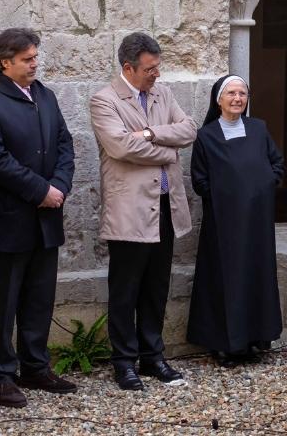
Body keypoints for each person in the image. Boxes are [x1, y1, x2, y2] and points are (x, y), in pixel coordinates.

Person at [0, 28, 76, 407]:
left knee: (39, 297)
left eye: (35, 57)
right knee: (5, 299)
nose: (35, 64)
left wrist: (59, 185)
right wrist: (40, 191)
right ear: (5, 62)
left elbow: (65, 143)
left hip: (47, 217)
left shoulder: (44, 95)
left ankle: (35, 365)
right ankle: (0, 374)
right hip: (9, 219)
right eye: (28, 59)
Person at [90, 32, 197, 390]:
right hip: (129, 212)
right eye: (150, 69)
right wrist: (167, 151)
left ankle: (153, 357)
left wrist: (150, 134)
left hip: (166, 206)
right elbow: (120, 147)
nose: (157, 75)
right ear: (128, 68)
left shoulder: (162, 94)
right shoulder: (104, 100)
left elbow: (189, 129)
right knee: (126, 289)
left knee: (156, 286)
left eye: (157, 67)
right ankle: (124, 362)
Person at [187, 75, 284, 367]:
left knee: (255, 276)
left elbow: (276, 163)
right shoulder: (207, 136)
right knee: (225, 281)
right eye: (231, 93)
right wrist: (226, 197)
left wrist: (263, 187)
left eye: (242, 93)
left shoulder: (258, 129)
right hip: (223, 225)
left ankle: (254, 338)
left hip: (256, 221)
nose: (237, 98)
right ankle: (224, 344)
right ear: (218, 99)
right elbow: (199, 180)